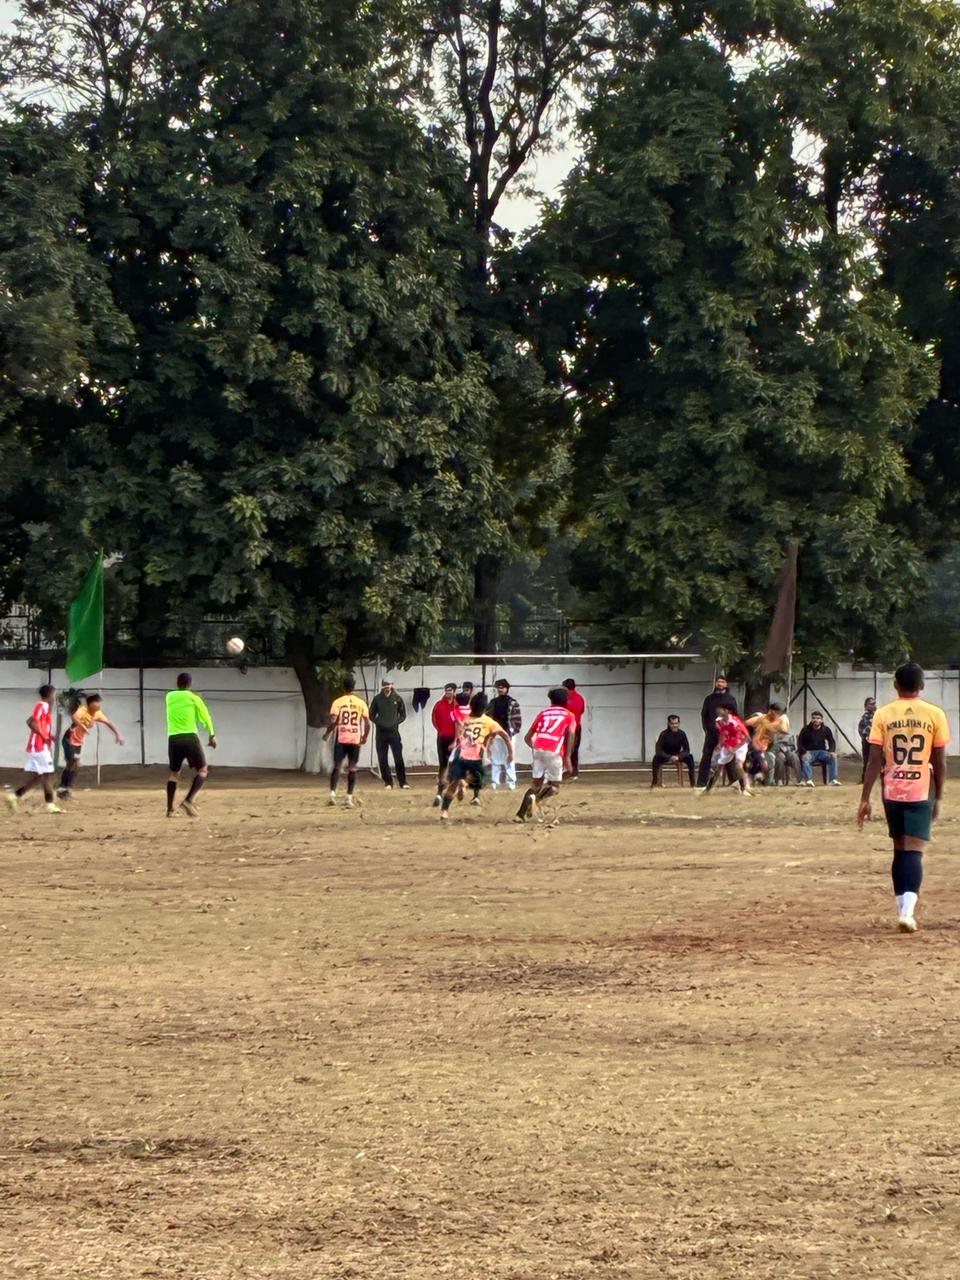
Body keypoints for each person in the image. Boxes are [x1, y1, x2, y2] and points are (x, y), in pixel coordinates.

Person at [858, 662, 950, 933]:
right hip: (921, 789)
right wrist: (939, 797)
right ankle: (907, 913)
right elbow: (940, 762)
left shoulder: (883, 714)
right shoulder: (935, 714)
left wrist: (865, 798)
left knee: (900, 848)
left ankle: (903, 908)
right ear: (922, 685)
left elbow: (874, 760)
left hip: (892, 788)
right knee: (914, 850)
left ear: (895, 685)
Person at [440, 693, 511, 821]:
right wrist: (510, 753)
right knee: (481, 777)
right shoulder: (489, 722)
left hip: (461, 754)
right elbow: (505, 736)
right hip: (475, 756)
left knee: (453, 784)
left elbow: (460, 734)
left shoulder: (466, 720)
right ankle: (465, 783)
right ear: (484, 709)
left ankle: (444, 811)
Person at [515, 688, 577, 822]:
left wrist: (536, 749)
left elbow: (527, 737)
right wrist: (567, 757)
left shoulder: (543, 713)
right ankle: (536, 801)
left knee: (536, 784)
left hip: (538, 749)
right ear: (566, 701)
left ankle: (520, 815)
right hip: (554, 750)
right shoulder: (569, 715)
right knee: (555, 787)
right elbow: (571, 736)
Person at [4, 684, 63, 815]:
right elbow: (31, 723)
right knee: (48, 775)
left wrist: (48, 736)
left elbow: (30, 720)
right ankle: (50, 805)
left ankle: (15, 796)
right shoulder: (42, 705)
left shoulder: (43, 707)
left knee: (39, 776)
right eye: (54, 693)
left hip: (39, 746)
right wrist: (44, 736)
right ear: (49, 695)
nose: (55, 696)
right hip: (39, 746)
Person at [165, 673, 216, 817]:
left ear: (177, 683)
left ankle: (170, 810)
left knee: (174, 773)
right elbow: (205, 715)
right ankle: (188, 800)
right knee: (203, 770)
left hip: (173, 738)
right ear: (190, 684)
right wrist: (212, 733)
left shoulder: (169, 696)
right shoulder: (194, 697)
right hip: (189, 737)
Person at [58, 692, 124, 799]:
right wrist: (82, 726)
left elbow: (108, 723)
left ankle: (65, 789)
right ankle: (63, 788)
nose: (98, 705)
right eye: (96, 702)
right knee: (72, 763)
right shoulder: (82, 710)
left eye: (98, 702)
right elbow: (74, 718)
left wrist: (118, 735)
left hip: (78, 742)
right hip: (69, 739)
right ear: (90, 704)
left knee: (74, 765)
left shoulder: (98, 713)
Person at [325, 675, 370, 808]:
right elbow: (367, 723)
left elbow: (334, 721)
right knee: (352, 767)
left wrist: (327, 733)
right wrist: (364, 736)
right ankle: (348, 798)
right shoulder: (361, 703)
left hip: (342, 737)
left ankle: (332, 795)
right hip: (355, 738)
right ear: (354, 687)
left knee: (337, 766)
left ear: (343, 687)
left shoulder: (337, 702)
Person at [696, 674, 739, 787]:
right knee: (706, 756)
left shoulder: (730, 699)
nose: (720, 684)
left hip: (726, 734)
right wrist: (706, 728)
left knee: (728, 756)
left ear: (726, 684)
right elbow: (704, 715)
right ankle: (701, 783)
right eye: (718, 682)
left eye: (722, 682)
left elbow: (735, 716)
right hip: (712, 733)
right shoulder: (709, 699)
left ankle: (734, 781)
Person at [369, 677, 408, 790]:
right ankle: (388, 782)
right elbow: (371, 715)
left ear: (392, 685)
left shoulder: (397, 698)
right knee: (382, 758)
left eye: (389, 684)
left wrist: (395, 722)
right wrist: (379, 722)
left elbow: (403, 714)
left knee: (398, 757)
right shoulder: (377, 699)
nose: (387, 686)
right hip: (381, 733)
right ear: (382, 686)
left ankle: (403, 782)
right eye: (385, 684)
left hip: (394, 732)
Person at [703, 704, 752, 795]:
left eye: (722, 709)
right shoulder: (718, 721)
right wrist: (720, 744)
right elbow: (722, 734)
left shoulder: (735, 721)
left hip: (740, 744)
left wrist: (735, 748)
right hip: (728, 745)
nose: (718, 710)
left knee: (738, 765)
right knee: (719, 767)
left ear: (728, 711)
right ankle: (708, 789)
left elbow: (747, 737)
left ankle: (744, 788)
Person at [488, 678, 522, 790]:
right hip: (495, 733)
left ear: (507, 689)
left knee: (510, 757)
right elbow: (488, 718)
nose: (500, 689)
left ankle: (511, 782)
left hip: (509, 733)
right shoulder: (493, 703)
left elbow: (517, 720)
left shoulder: (513, 703)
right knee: (495, 758)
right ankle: (495, 781)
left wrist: (513, 731)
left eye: (502, 687)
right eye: (498, 687)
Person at [746, 702, 790, 786]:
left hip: (770, 750)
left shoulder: (775, 724)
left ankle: (770, 781)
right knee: (761, 759)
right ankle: (758, 777)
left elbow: (778, 738)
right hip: (753, 750)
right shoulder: (752, 729)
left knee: (774, 758)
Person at [431, 683, 459, 806]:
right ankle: (440, 790)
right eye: (447, 690)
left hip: (455, 738)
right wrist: (441, 730)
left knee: (454, 764)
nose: (448, 693)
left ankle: (451, 789)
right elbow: (434, 719)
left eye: (450, 690)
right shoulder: (439, 705)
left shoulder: (457, 705)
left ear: (454, 691)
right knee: (443, 763)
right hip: (442, 737)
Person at [797, 711, 840, 786]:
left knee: (833, 757)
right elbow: (799, 742)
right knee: (805, 758)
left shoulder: (826, 729)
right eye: (813, 718)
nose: (815, 720)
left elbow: (831, 741)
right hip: (809, 752)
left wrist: (831, 751)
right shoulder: (805, 729)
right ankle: (808, 780)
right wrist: (803, 752)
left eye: (818, 718)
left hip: (822, 752)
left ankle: (833, 780)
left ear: (822, 720)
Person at [651, 715, 695, 787]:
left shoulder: (682, 734)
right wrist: (669, 757)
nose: (674, 726)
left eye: (676, 723)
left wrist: (679, 756)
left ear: (679, 723)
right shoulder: (663, 734)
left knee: (690, 757)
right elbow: (658, 750)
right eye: (672, 724)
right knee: (656, 758)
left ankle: (693, 783)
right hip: (666, 755)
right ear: (668, 724)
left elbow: (687, 749)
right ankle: (655, 782)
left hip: (677, 755)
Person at [561, 679, 586, 778]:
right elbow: (582, 710)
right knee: (574, 749)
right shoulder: (580, 698)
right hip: (577, 726)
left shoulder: (564, 698)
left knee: (563, 748)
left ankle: (564, 769)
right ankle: (574, 772)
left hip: (565, 727)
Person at [858, 696, 877, 782]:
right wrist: (864, 737)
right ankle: (865, 778)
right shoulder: (864, 717)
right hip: (867, 741)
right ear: (866, 706)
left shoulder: (878, 715)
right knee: (867, 760)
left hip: (877, 741)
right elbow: (860, 729)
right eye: (870, 704)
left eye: (874, 704)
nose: (873, 705)